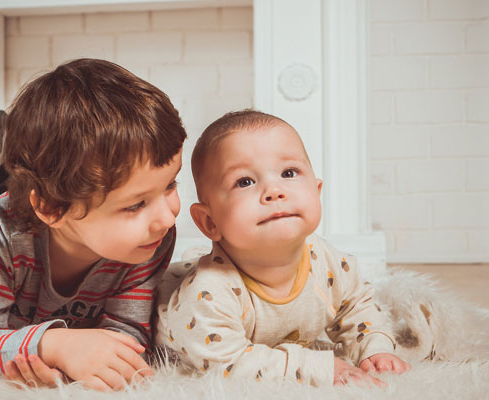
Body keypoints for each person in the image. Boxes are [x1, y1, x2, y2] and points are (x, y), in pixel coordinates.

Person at [0, 58, 186, 391]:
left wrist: (90, 357)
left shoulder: (148, 241)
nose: (168, 217)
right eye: (135, 204)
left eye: (171, 185)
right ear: (53, 208)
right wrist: (51, 345)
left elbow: (128, 334)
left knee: (19, 214)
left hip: (33, 222)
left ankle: (7, 177)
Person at [155, 110, 409, 387]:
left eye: (289, 173)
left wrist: (375, 347)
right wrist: (315, 367)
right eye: (245, 182)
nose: (274, 191)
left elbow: (358, 307)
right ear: (209, 221)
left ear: (316, 190)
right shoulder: (208, 293)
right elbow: (226, 363)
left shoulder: (328, 262)